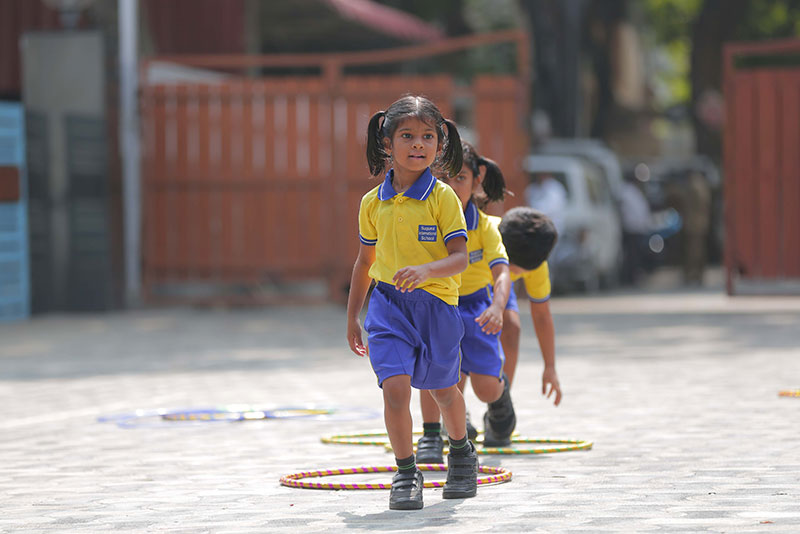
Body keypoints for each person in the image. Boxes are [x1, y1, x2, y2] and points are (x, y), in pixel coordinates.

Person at [345, 95, 478, 511]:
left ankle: (461, 454)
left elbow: (460, 257)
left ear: (440, 144)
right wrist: (353, 316)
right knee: (396, 390)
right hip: (387, 306)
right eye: (407, 136)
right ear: (387, 142)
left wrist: (426, 272)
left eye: (427, 137)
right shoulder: (372, 203)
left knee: (442, 391)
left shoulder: (443, 198)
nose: (418, 145)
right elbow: (365, 262)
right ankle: (405, 472)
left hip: (436, 307)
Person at [415, 142, 515, 465]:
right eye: (444, 178)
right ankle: (433, 434)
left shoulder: (486, 228)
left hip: (477, 309)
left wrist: (498, 307)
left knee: (486, 387)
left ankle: (499, 404)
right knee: (436, 374)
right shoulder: (426, 222)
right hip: (439, 305)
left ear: (476, 180)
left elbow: (502, 274)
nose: (452, 186)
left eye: (460, 178)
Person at [497, 207, 563, 408]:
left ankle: (500, 405)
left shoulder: (535, 263)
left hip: (498, 291)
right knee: (458, 340)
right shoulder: (482, 239)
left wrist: (550, 367)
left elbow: (542, 314)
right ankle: (455, 412)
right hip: (464, 289)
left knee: (511, 328)